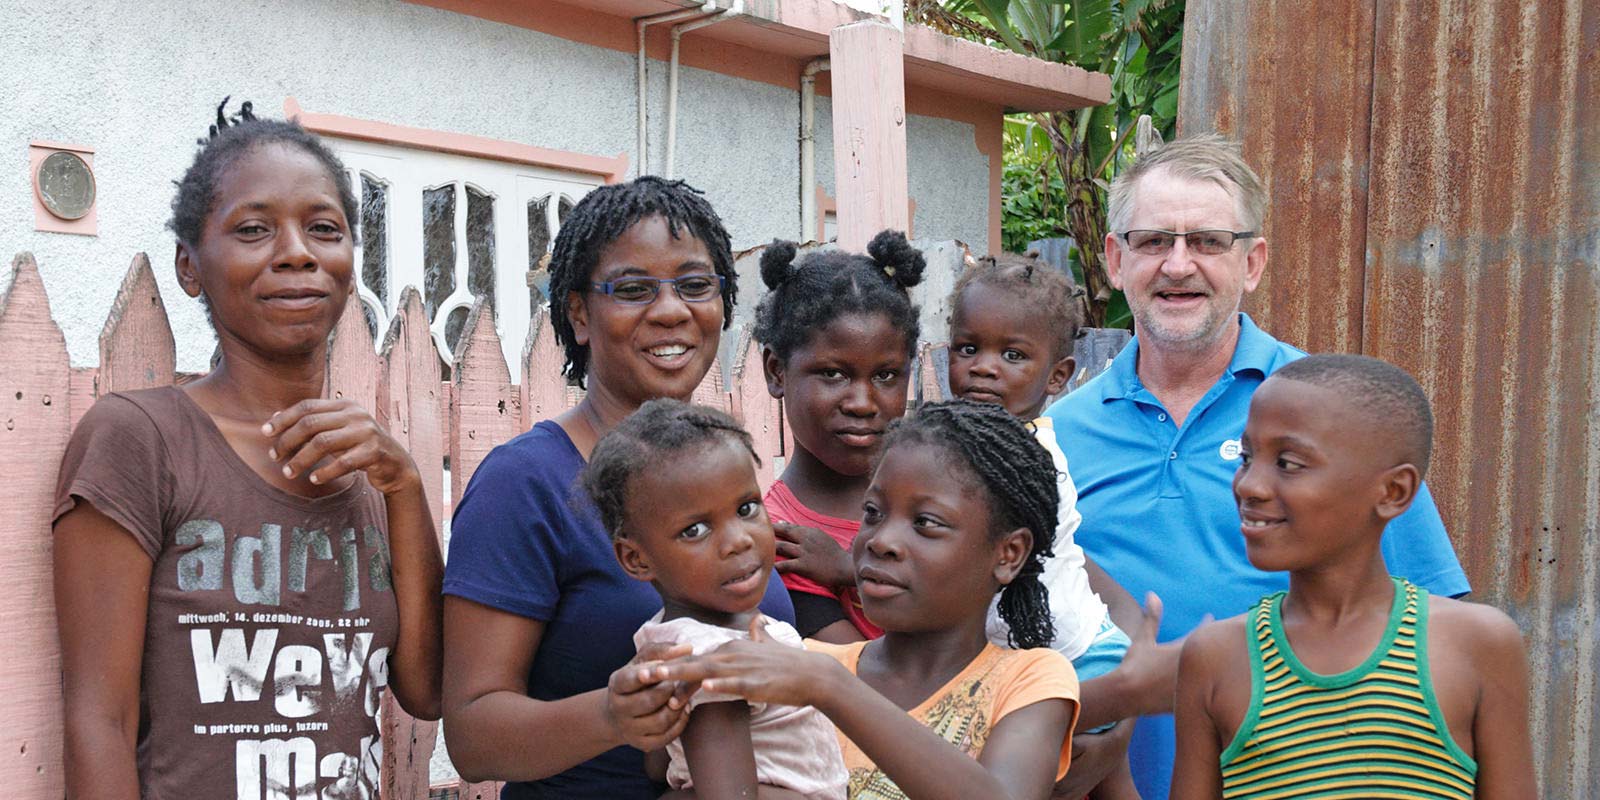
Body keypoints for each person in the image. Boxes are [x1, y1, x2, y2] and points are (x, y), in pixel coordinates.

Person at [1043, 135, 1472, 797]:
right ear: (1115, 258)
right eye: (1154, 241)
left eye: (1209, 242)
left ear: (1253, 263)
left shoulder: (1334, 418)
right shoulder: (1054, 439)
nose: (1178, 265)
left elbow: (1442, 634)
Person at [52, 99, 443, 798]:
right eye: (255, 229)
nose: (296, 251)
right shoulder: (141, 440)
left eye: (323, 228)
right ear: (190, 266)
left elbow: (428, 689)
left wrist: (406, 486)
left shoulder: (372, 472)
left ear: (350, 261)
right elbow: (98, 719)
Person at [440, 176, 795, 798]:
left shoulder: (720, 470)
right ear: (580, 313)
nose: (670, 310)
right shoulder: (527, 484)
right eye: (632, 290)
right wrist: (611, 714)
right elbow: (473, 736)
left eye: (694, 285)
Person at [654, 400, 1082, 799]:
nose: (881, 541)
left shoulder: (1030, 680)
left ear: (1008, 554)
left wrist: (831, 689)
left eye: (926, 523)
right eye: (873, 513)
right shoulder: (800, 664)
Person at [1171, 354, 1534, 799]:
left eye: (1288, 463)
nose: (1249, 485)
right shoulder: (1215, 657)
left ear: (1393, 492)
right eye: (1246, 457)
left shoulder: (1477, 644)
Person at [948, 253, 1161, 799]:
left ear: (1058, 375)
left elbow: (955, 559)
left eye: (1012, 355)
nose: (983, 367)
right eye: (968, 348)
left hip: (1074, 657)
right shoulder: (969, 443)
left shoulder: (1024, 460)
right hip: (1064, 650)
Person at [582, 399, 847, 799]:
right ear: (636, 558)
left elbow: (660, 764)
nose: (738, 540)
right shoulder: (712, 657)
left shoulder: (682, 641)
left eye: (746, 508)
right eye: (695, 530)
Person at [753, 231, 925, 643]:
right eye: (834, 374)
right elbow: (864, 678)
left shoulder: (938, 485)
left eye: (886, 376)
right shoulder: (780, 539)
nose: (863, 403)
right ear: (777, 371)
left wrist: (851, 568)